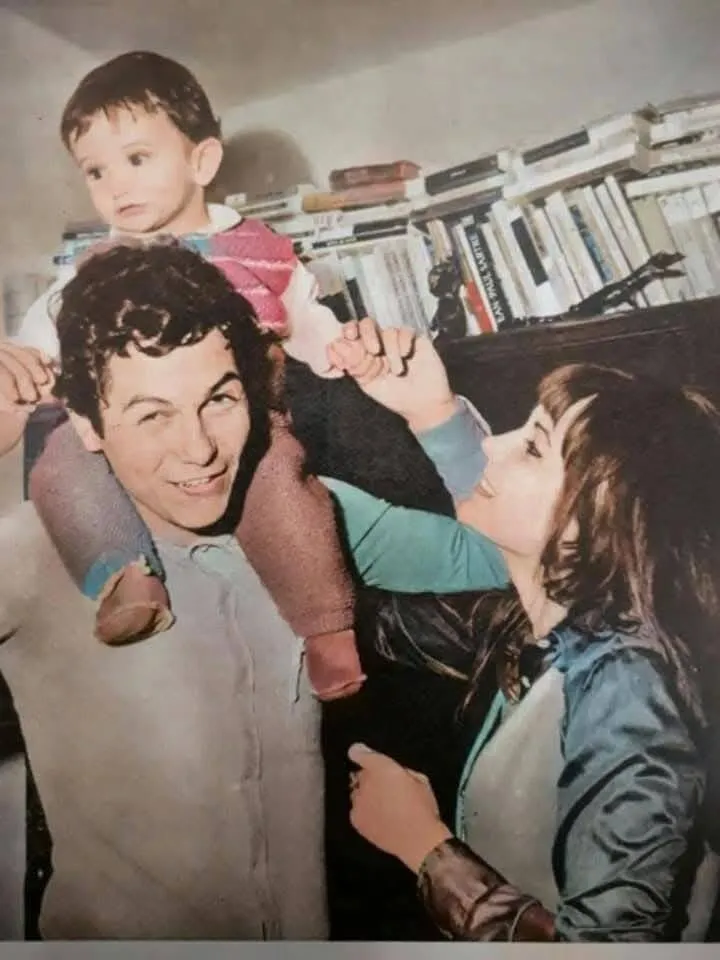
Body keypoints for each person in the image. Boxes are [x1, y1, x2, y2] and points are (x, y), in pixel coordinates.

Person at [0, 240, 522, 940]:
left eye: (219, 400)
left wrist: (434, 414)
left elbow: (508, 557)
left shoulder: (313, 517)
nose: (198, 449)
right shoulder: (32, 553)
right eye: (153, 415)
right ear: (88, 425)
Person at [327, 318, 720, 941]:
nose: (493, 447)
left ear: (596, 521)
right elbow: (367, 607)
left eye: (533, 447)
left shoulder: (630, 691)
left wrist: (426, 848)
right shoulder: (553, 628)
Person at [0, 49, 364, 701]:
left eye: (137, 158)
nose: (116, 185)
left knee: (279, 477)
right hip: (131, 440)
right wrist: (18, 366)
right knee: (59, 462)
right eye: (96, 171)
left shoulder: (260, 254)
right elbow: (40, 344)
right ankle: (124, 575)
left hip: (241, 428)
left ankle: (327, 627)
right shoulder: (90, 271)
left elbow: (313, 328)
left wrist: (348, 351)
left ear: (202, 161)